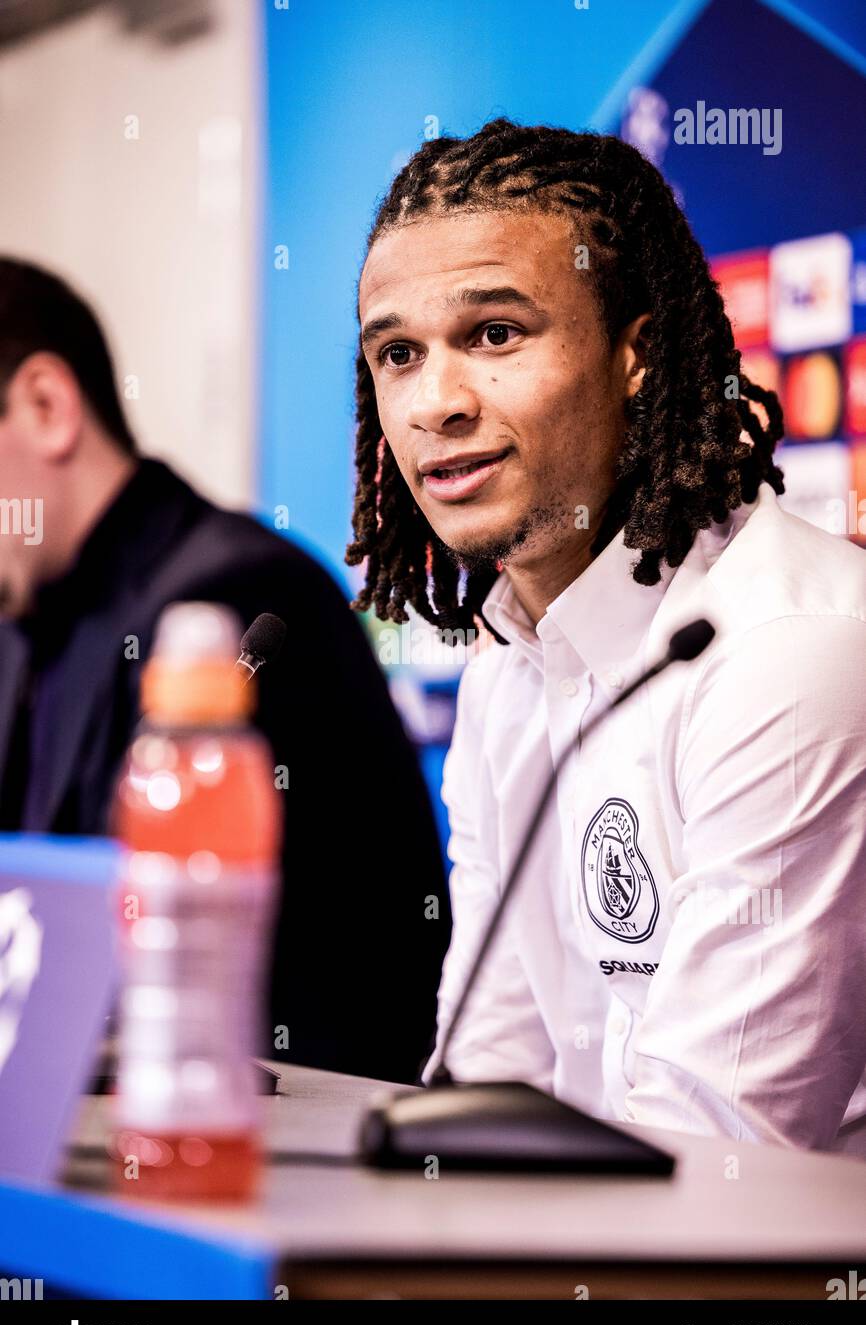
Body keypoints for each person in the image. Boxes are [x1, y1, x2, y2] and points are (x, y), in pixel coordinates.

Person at [346, 117, 866, 1153]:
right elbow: (485, 1082)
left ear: (634, 354)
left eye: (494, 334)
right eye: (397, 353)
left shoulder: (788, 652)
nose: (434, 403)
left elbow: (720, 1160)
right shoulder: (506, 664)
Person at [0, 256, 451, 1085]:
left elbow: (130, 975)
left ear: (45, 407)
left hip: (267, 1173)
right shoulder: (25, 629)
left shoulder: (240, 604)